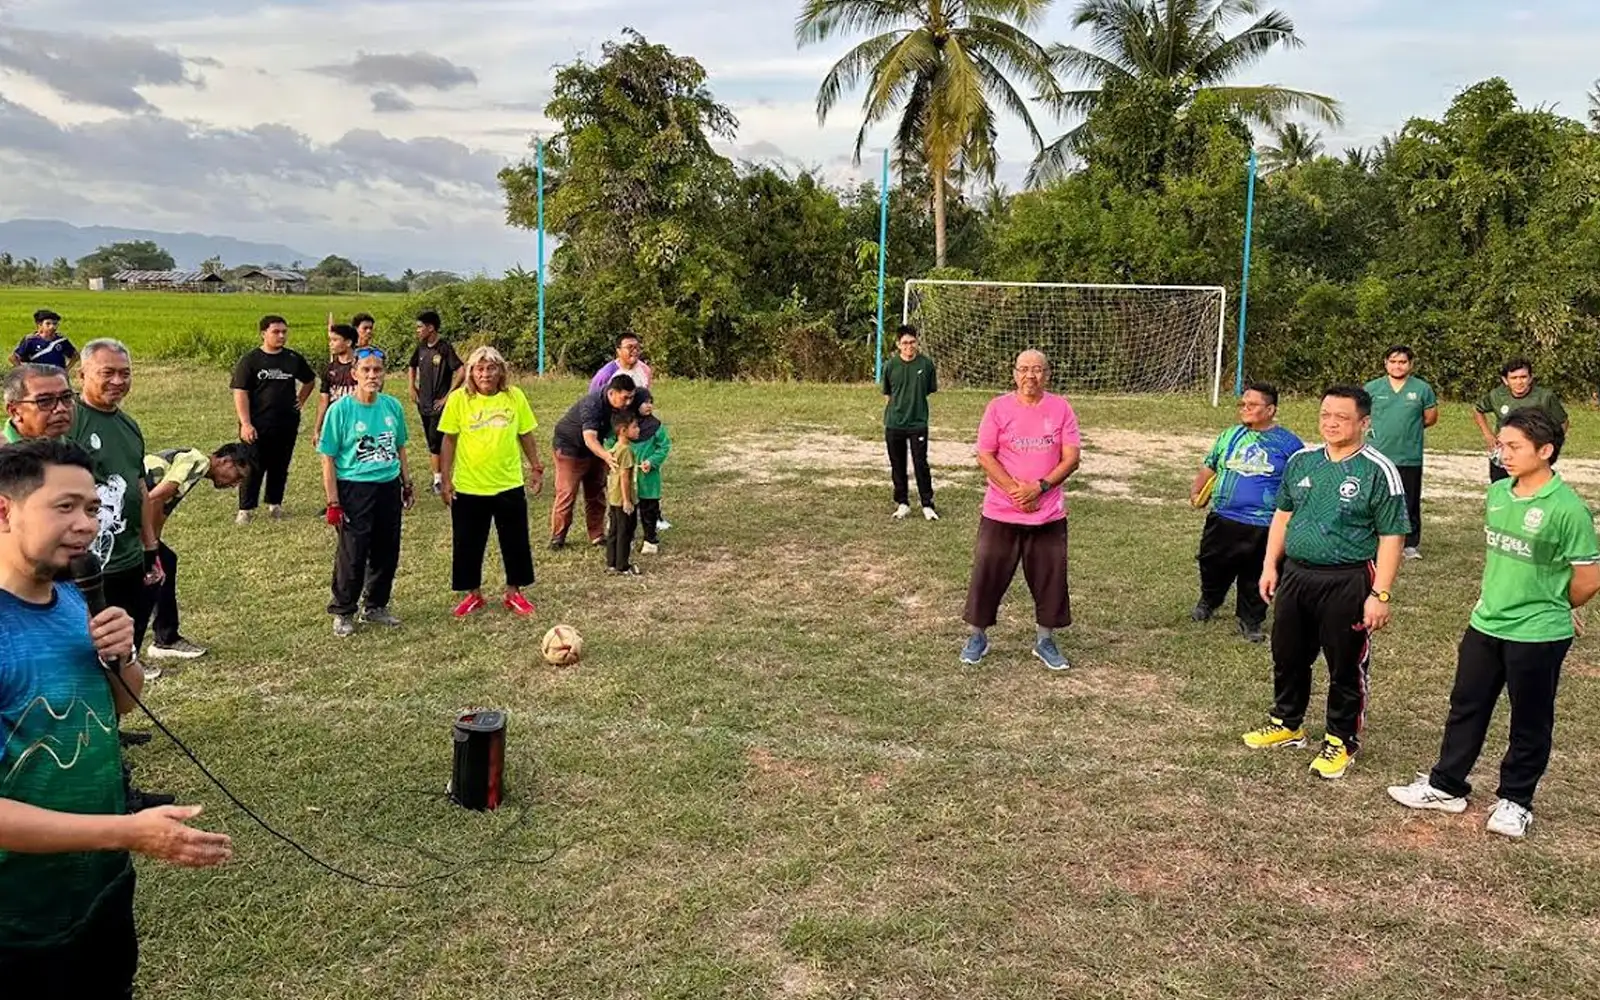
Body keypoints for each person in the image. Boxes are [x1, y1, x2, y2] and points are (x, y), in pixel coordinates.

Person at [0, 440, 233, 997]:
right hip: (15, 924)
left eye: (91, 508)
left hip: (100, 893)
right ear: (4, 511)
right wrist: (127, 832)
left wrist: (122, 657)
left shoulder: (73, 599)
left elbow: (122, 704)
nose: (86, 524)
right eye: (65, 507)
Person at [1388, 410, 1600, 839]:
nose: (1503, 453)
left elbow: (1588, 578)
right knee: (1466, 705)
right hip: (1485, 623)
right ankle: (1446, 785)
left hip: (1538, 633)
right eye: (1501, 445)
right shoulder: (1498, 493)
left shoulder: (1567, 509)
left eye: (1514, 446)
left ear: (1546, 450)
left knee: (1529, 719)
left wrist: (1555, 605)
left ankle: (1515, 800)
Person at [1242, 385, 1410, 780]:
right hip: (1297, 574)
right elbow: (1283, 515)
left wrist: (1380, 593)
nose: (1331, 423)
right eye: (1325, 415)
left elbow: (1392, 536)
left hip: (1347, 579)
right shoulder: (1302, 461)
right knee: (1288, 653)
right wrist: (1269, 566)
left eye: (1342, 417)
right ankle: (1287, 723)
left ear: (1364, 423)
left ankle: (1341, 739)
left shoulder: (1378, 471)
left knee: (1345, 663)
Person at [960, 350, 1081, 671]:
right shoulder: (997, 408)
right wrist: (1017, 492)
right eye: (1024, 369)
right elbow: (985, 455)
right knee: (987, 573)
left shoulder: (1062, 408)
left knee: (1050, 578)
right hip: (1001, 511)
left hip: (1047, 512)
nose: (1030, 376)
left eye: (1037, 370)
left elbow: (1071, 458)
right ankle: (977, 637)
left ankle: (1045, 641)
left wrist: (1040, 487)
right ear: (1014, 374)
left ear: (1047, 374)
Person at [1189, 383, 1303, 643]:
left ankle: (1251, 619)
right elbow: (1210, 466)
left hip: (1265, 524)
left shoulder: (1289, 444)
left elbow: (1298, 482)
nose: (1245, 408)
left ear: (1270, 410)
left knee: (1258, 572)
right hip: (1224, 517)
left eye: (1252, 405)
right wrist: (1196, 491)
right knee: (1213, 563)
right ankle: (1209, 600)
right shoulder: (1229, 436)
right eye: (1242, 404)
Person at [439, 346, 544, 618]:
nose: (485, 374)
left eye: (491, 368)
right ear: (471, 372)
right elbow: (448, 440)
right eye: (479, 369)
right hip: (469, 485)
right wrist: (445, 478)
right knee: (467, 542)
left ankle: (514, 593)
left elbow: (526, 434)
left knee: (515, 540)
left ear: (501, 372)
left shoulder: (514, 397)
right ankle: (473, 594)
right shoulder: (459, 399)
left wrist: (535, 466)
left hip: (508, 483)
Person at [318, 347, 415, 638]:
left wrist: (406, 483)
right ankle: (344, 610)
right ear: (354, 374)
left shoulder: (392, 407)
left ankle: (375, 605)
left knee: (387, 549)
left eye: (377, 370)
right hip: (354, 487)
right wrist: (333, 501)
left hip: (388, 485)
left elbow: (400, 447)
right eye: (366, 370)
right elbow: (328, 457)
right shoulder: (340, 410)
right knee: (354, 552)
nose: (372, 375)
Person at [138, 444, 254, 660]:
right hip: (125, 515)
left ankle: (164, 638)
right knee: (142, 576)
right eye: (237, 476)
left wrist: (154, 545)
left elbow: (161, 509)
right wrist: (149, 546)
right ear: (225, 461)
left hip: (131, 515)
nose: (235, 484)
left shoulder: (192, 464)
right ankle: (157, 642)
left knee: (165, 562)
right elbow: (154, 499)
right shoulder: (197, 462)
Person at [548, 375, 652, 548]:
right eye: (625, 398)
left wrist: (643, 405)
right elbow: (589, 438)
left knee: (596, 491)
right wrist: (606, 456)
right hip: (570, 448)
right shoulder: (592, 404)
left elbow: (643, 400)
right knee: (567, 493)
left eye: (631, 397)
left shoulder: (626, 401)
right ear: (611, 393)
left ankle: (597, 535)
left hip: (596, 449)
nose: (628, 402)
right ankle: (558, 537)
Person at [230, 315, 315, 522]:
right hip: (257, 423)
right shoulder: (250, 360)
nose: (281, 336)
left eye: (284, 332)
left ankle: (275, 504)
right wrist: (246, 423)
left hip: (286, 423)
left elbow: (309, 380)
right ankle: (246, 509)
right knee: (252, 466)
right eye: (276, 332)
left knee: (280, 465)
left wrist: (300, 400)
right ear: (263, 334)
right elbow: (240, 392)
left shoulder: (293, 358)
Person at [1365, 345, 1438, 560]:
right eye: (1393, 361)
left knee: (1409, 500)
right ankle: (1372, 540)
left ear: (1411, 364)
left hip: (1408, 454)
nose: (1398, 366)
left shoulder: (1422, 389)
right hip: (1377, 454)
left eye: (1403, 362)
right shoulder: (1372, 388)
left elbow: (1430, 417)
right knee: (1374, 499)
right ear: (1385, 363)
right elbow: (1362, 415)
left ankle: (1409, 544)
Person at [1474, 358, 1568, 483]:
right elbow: (1478, 410)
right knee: (1500, 487)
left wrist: (1551, 444)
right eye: (1514, 378)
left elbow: (1563, 422)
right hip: (1504, 450)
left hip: (1531, 453)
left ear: (1530, 378)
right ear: (1505, 380)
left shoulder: (1545, 397)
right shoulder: (1497, 395)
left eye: (1523, 377)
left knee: (1530, 488)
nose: (1519, 382)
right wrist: (1488, 435)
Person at [882, 324, 939, 521]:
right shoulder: (890, 366)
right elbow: (888, 393)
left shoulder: (926, 364)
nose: (909, 346)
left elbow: (929, 389)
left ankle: (927, 504)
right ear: (898, 344)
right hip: (894, 423)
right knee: (898, 464)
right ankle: (902, 503)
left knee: (920, 463)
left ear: (917, 342)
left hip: (918, 423)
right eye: (905, 343)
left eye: (912, 342)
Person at [407, 310, 464, 495]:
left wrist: (448, 396)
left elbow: (461, 371)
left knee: (436, 441)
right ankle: (437, 478)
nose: (417, 330)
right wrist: (411, 386)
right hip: (423, 402)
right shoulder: (421, 347)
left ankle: (439, 480)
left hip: (438, 405)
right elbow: (412, 365)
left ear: (430, 328)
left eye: (420, 327)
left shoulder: (444, 348)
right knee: (430, 440)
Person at [626, 410, 671, 555]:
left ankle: (650, 540)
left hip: (648, 477)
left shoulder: (655, 426)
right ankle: (627, 539)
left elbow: (664, 446)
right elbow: (611, 443)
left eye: (650, 401)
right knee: (627, 511)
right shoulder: (623, 421)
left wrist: (652, 461)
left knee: (649, 509)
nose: (649, 405)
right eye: (644, 402)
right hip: (626, 477)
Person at [604, 411, 643, 576]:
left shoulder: (614, 448)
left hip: (614, 496)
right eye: (634, 427)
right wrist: (627, 500)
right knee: (625, 531)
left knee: (613, 530)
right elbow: (624, 477)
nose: (638, 429)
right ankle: (623, 565)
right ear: (623, 430)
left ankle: (611, 563)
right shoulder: (626, 450)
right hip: (622, 498)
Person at [3, 362, 76, 444]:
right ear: (15, 411)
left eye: (66, 397)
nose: (61, 408)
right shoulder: (4, 450)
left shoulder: (75, 448)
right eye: (45, 401)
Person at [314, 323, 359, 448]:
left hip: (357, 421)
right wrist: (317, 429)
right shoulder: (329, 369)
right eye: (330, 340)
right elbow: (324, 400)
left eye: (335, 340)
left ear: (348, 342)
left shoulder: (362, 367)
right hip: (335, 421)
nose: (331, 344)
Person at [9, 309, 76, 371]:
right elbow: (13, 358)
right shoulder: (30, 340)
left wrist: (66, 370)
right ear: (40, 324)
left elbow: (75, 355)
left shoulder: (61, 340)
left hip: (56, 375)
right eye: (48, 324)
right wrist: (24, 371)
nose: (52, 327)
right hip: (37, 376)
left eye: (55, 324)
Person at [588, 332, 652, 393]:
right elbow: (593, 397)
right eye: (629, 347)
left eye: (637, 347)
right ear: (618, 351)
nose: (635, 351)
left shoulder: (645, 370)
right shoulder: (606, 374)